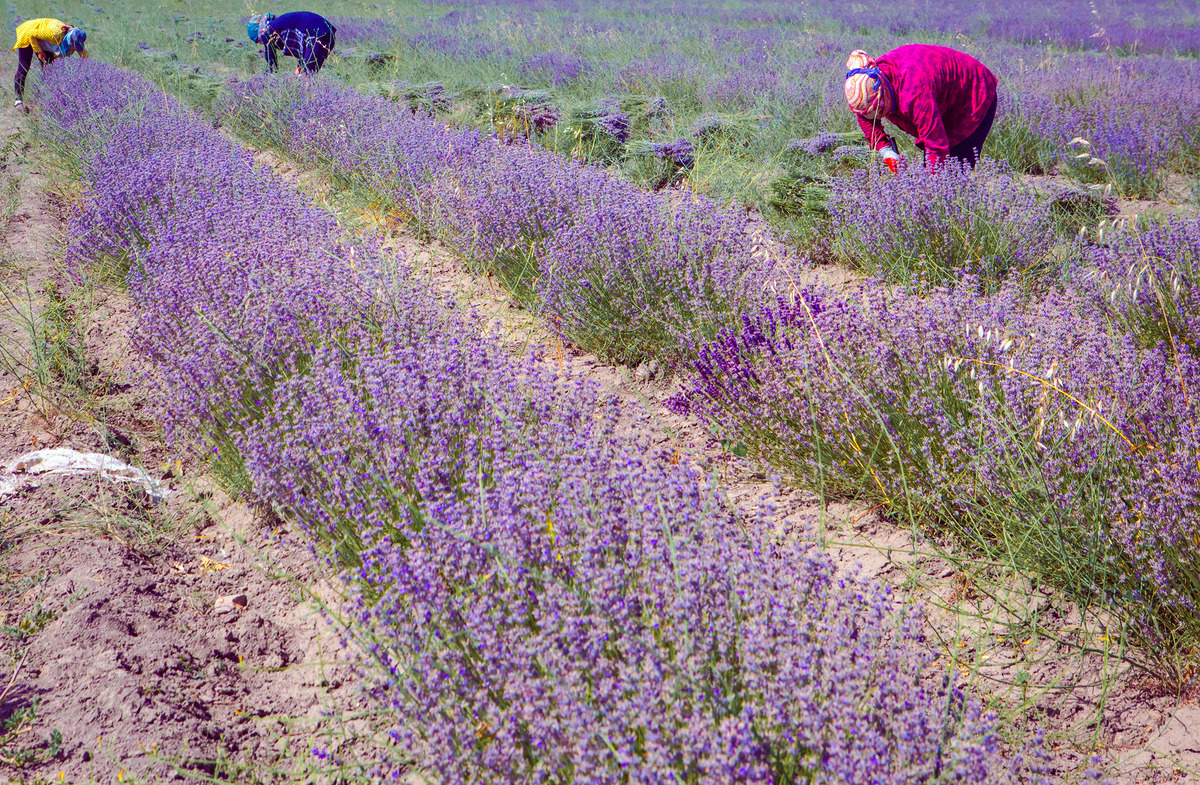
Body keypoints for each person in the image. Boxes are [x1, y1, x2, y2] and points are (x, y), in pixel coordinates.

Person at [844, 45, 997, 172]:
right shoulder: (865, 83)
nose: (879, 116)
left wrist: (926, 191)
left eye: (880, 112)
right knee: (936, 170)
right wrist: (886, 151)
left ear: (884, 95)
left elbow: (935, 144)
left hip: (972, 96)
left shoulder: (914, 93)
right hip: (939, 96)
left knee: (954, 173)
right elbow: (865, 118)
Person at [11, 18, 87, 108]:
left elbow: (84, 56)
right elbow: (31, 34)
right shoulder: (55, 34)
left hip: (44, 40)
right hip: (27, 32)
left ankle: (41, 99)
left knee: (49, 70)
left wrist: (88, 68)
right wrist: (39, 51)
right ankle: (18, 101)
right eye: (74, 45)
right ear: (71, 40)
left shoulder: (77, 36)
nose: (75, 47)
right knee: (24, 66)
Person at [247, 12, 336, 75]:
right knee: (306, 75)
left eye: (260, 41)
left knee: (307, 76)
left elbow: (272, 66)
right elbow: (304, 52)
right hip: (327, 32)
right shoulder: (279, 26)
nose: (263, 42)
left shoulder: (266, 32)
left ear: (259, 33)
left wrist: (270, 80)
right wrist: (298, 70)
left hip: (317, 33)